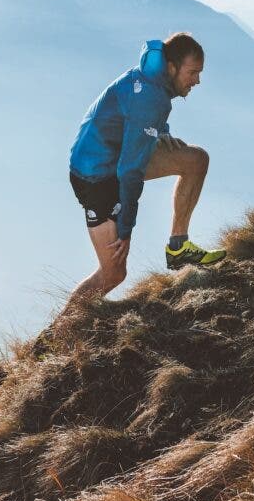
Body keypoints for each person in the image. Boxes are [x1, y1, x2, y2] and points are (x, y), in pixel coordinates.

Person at [65, 32, 226, 306]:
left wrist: (161, 132)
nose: (197, 81)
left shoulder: (155, 79)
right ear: (173, 67)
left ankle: (178, 248)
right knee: (113, 273)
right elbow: (130, 171)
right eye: (193, 72)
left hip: (114, 157)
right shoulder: (150, 96)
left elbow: (135, 118)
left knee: (195, 160)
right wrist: (126, 230)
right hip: (96, 176)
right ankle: (56, 334)